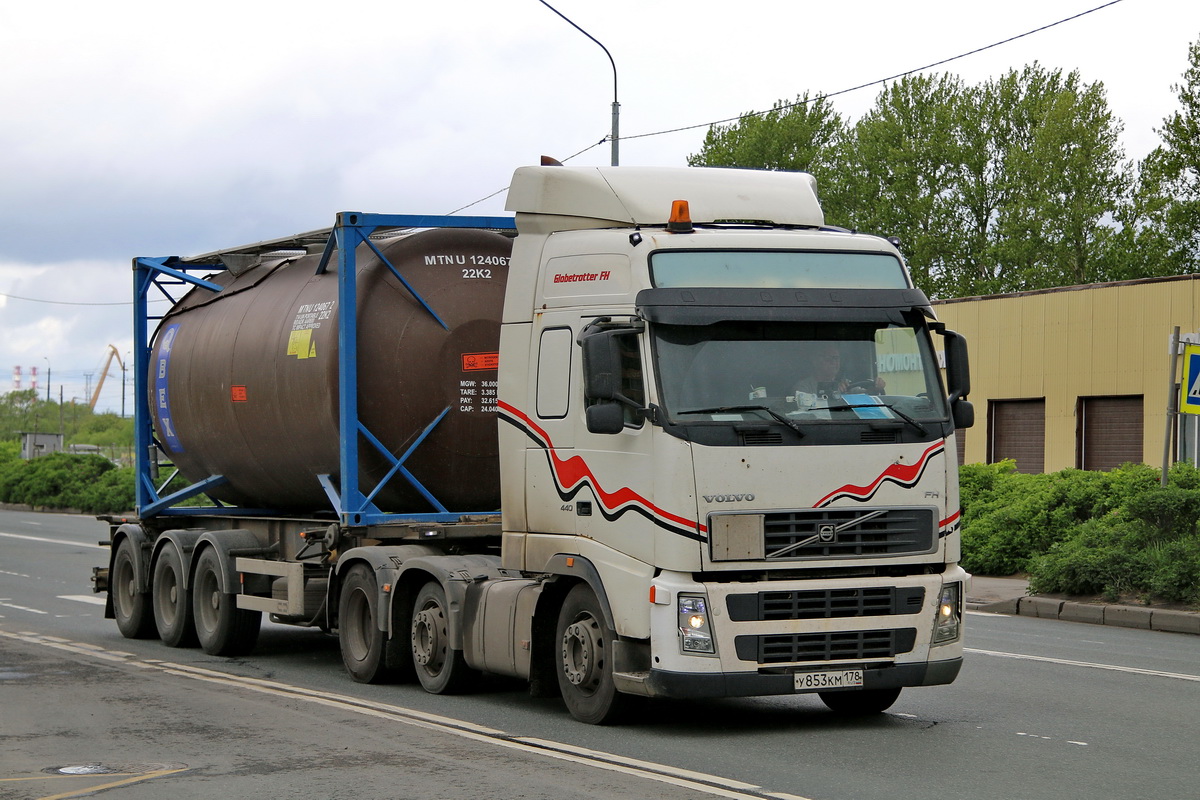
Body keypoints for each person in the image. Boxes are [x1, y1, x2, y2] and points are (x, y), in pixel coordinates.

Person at [794, 342, 886, 397]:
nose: (833, 362)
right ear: (815, 361)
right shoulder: (803, 387)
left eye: (836, 358)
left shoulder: (846, 385)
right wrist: (835, 393)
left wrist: (876, 388)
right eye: (828, 358)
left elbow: (864, 396)